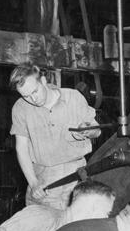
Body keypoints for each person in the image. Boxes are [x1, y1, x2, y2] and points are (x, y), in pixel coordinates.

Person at [9, 63, 102, 210]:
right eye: (26, 96)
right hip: (43, 178)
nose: (33, 99)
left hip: (76, 174)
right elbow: (21, 148)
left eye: (35, 91)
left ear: (44, 81)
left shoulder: (73, 98)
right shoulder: (20, 108)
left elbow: (97, 131)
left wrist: (88, 131)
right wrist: (33, 182)